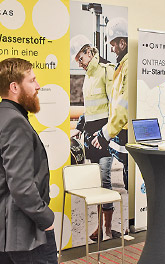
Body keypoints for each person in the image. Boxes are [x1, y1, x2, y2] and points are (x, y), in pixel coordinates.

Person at [0, 58, 57, 264]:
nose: (38, 86)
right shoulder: (15, 122)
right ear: (14, 87)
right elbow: (21, 186)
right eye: (32, 80)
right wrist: (45, 218)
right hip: (26, 235)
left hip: (6, 235)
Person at [69, 34, 119, 241]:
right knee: (98, 183)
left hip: (104, 138)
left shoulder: (106, 71)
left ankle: (105, 228)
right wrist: (80, 126)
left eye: (80, 58)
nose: (79, 63)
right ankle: (101, 226)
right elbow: (90, 109)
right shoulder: (87, 76)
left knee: (105, 181)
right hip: (91, 137)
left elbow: (113, 106)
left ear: (89, 52)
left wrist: (106, 134)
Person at [92, 17, 129, 191]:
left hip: (126, 132)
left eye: (113, 44)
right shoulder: (122, 65)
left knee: (130, 179)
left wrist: (105, 133)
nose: (112, 49)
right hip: (120, 131)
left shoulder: (127, 65)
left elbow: (123, 106)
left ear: (123, 43)